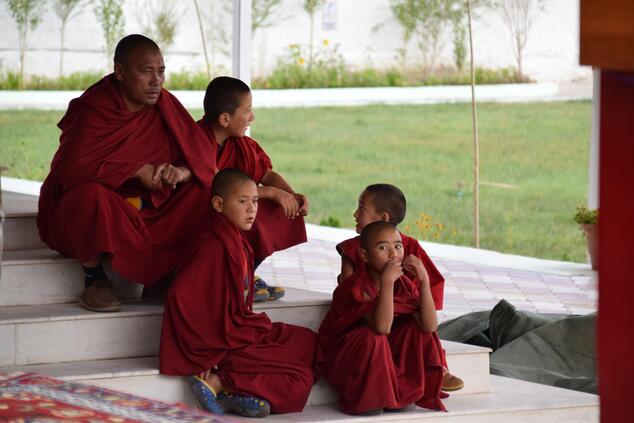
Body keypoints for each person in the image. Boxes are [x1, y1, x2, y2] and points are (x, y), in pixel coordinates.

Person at [37, 34, 215, 312]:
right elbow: (73, 170)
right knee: (90, 196)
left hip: (143, 207)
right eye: (146, 71)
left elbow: (204, 160)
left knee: (205, 189)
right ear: (119, 72)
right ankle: (95, 279)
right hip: (91, 213)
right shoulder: (94, 109)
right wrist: (134, 170)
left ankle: (163, 275)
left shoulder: (162, 104)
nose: (156, 80)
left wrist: (178, 172)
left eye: (161, 71)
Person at [159, 169, 318, 418]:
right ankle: (218, 383)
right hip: (221, 342)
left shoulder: (235, 236)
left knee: (308, 343)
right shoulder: (212, 246)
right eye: (242, 202)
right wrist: (203, 353)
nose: (252, 209)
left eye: (255, 201)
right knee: (300, 379)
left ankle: (238, 395)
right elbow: (179, 296)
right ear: (219, 204)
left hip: (239, 328)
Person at [337, 183, 464, 392]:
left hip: (402, 317)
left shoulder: (410, 247)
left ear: (383, 217)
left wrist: (419, 288)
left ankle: (437, 367)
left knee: (418, 320)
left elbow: (419, 304)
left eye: (361, 208)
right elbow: (348, 298)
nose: (355, 214)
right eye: (385, 248)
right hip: (367, 317)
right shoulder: (352, 248)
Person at [197, 76, 309, 301]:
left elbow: (266, 174)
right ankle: (237, 276)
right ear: (225, 119)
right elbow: (215, 187)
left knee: (279, 207)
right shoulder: (195, 140)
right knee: (253, 206)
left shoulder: (241, 145)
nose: (252, 117)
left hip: (233, 208)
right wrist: (271, 193)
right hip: (202, 213)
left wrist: (291, 195)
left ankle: (247, 272)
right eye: (247, 111)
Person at [318, 221, 446, 415]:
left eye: (398, 246)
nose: (393, 254)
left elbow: (429, 326)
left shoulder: (403, 283)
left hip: (384, 354)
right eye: (383, 247)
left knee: (415, 329)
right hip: (347, 357)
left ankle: (401, 391)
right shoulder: (357, 287)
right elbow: (382, 327)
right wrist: (386, 282)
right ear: (364, 256)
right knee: (373, 337)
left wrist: (424, 282)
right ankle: (369, 398)